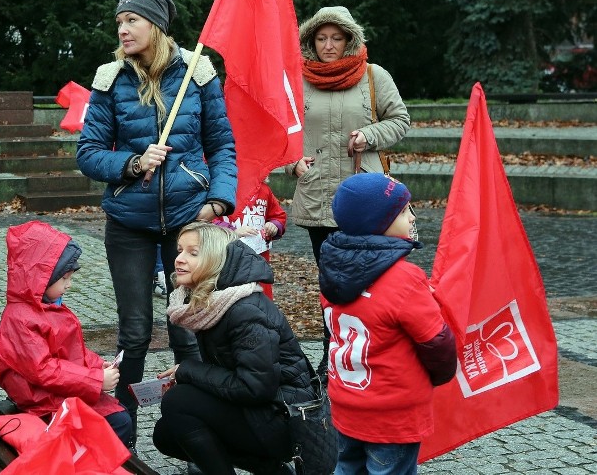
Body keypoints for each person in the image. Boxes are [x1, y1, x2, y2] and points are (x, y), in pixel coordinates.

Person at [76, 0, 237, 449]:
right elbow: (87, 154)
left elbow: (222, 145)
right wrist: (130, 163)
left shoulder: (199, 74)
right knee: (135, 331)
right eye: (119, 23)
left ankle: (190, 429)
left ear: (157, 26)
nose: (123, 29)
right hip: (129, 223)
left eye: (132, 21)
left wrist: (219, 202)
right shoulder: (109, 79)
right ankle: (121, 434)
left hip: (188, 220)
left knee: (187, 330)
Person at [319, 173, 457, 474]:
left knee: (347, 467)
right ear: (378, 223)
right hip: (392, 412)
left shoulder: (331, 270)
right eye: (404, 210)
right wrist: (440, 376)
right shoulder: (404, 279)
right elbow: (436, 341)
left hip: (346, 400)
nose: (412, 216)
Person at [152, 221, 312, 474]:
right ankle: (271, 469)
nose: (179, 259)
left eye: (193, 253)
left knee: (179, 401)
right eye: (180, 250)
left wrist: (189, 372)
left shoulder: (244, 310)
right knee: (166, 434)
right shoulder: (213, 301)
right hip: (261, 409)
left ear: (216, 260)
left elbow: (255, 386)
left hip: (287, 418)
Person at [286, 6, 410, 267]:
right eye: (321, 38)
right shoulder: (296, 80)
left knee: (367, 269)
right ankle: (331, 311)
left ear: (349, 40)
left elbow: (400, 120)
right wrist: (291, 164)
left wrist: (369, 134)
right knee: (328, 270)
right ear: (311, 41)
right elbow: (279, 128)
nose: (328, 45)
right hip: (316, 191)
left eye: (336, 38)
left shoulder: (374, 76)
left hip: (364, 190)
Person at [0, 220, 132, 445]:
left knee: (119, 417)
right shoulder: (22, 317)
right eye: (64, 279)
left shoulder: (47, 305)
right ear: (41, 278)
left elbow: (72, 350)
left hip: (56, 390)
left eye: (70, 278)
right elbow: (43, 370)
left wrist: (97, 365)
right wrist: (95, 379)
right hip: (41, 399)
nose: (69, 285)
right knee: (118, 422)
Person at [213, 177, 286, 299]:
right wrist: (233, 231)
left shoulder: (264, 190)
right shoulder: (223, 190)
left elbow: (278, 216)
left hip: (258, 259)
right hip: (226, 259)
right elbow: (209, 221)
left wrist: (274, 225)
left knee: (260, 296)